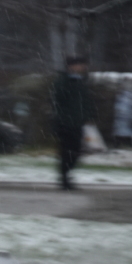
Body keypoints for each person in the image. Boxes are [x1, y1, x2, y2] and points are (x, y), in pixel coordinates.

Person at [51, 56, 96, 190]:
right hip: (65, 122)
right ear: (72, 66)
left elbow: (85, 102)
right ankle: (64, 178)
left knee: (75, 151)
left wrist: (88, 116)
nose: (83, 68)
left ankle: (66, 175)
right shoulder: (64, 81)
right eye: (80, 65)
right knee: (67, 151)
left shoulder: (81, 81)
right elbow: (58, 99)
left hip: (77, 122)